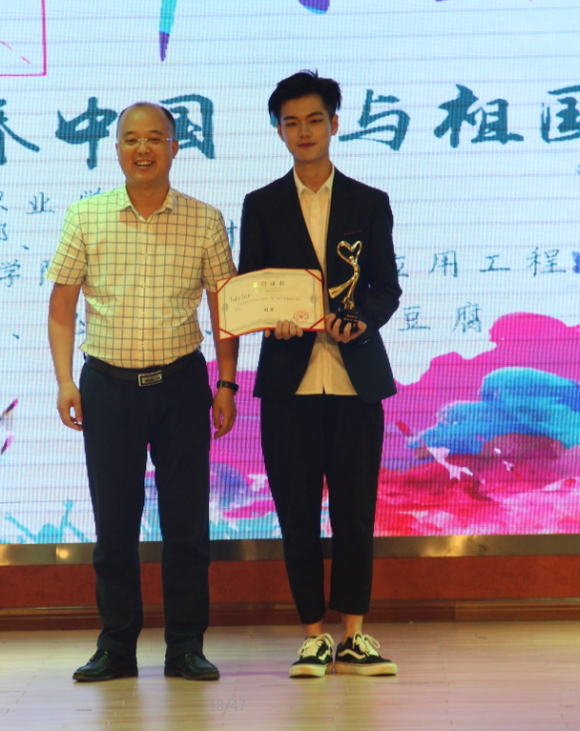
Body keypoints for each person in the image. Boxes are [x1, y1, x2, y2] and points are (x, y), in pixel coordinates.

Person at [46, 102, 239, 682]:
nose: (143, 149)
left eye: (156, 138)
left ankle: (186, 646)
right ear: (117, 149)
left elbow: (226, 309)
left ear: (175, 147)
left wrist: (226, 383)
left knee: (187, 525)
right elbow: (61, 306)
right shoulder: (86, 216)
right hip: (108, 386)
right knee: (114, 526)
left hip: (181, 386)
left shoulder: (204, 219)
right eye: (131, 139)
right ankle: (116, 647)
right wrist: (64, 380)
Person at [238, 71, 402, 678]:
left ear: (334, 123)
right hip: (290, 384)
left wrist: (360, 320)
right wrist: (271, 320)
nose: (303, 132)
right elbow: (251, 288)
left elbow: (386, 286)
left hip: (356, 380)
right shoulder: (261, 205)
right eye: (291, 123)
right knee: (297, 513)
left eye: (314, 120)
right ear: (278, 131)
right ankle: (312, 634)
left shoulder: (369, 201)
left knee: (355, 511)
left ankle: (355, 634)